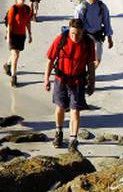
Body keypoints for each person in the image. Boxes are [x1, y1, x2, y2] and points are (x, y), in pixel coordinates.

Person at [44, 19, 96, 153]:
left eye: (78, 34)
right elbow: (50, 60)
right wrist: (46, 79)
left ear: (83, 31)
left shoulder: (88, 43)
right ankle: (59, 132)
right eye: (72, 33)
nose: (74, 37)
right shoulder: (61, 39)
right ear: (69, 30)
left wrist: (92, 83)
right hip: (61, 79)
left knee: (75, 110)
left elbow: (90, 65)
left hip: (78, 82)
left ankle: (73, 140)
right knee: (60, 107)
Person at [73, 0, 114, 70]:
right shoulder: (81, 8)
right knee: (84, 59)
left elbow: (107, 22)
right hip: (84, 37)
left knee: (97, 60)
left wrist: (109, 38)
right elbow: (76, 25)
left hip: (97, 36)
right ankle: (85, 75)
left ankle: (89, 74)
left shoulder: (102, 6)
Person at [3, 0, 33, 87]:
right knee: (15, 56)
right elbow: (10, 24)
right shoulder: (13, 9)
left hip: (22, 35)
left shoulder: (28, 9)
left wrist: (30, 34)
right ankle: (14, 78)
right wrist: (8, 36)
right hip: (13, 35)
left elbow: (28, 22)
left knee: (16, 55)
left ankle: (7, 65)